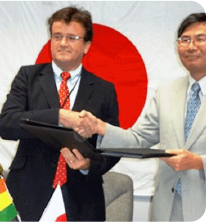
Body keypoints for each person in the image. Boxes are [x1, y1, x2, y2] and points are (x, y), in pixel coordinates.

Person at [78, 12, 206, 221]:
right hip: (168, 209)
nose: (191, 46)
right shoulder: (166, 92)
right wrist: (100, 127)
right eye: (185, 40)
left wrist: (198, 162)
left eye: (200, 39)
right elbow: (138, 140)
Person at [0, 6, 120, 221]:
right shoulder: (28, 77)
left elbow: (114, 145)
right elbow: (7, 125)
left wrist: (90, 164)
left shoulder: (103, 89)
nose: (63, 43)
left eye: (72, 37)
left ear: (86, 46)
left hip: (82, 197)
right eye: (57, 36)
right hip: (28, 190)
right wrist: (59, 116)